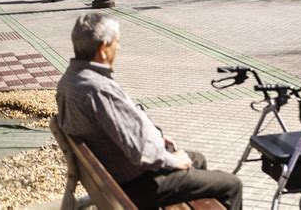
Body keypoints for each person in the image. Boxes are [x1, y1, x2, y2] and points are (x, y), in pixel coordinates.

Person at [56, 13, 243, 209]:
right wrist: (173, 160)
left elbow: (122, 130)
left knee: (197, 159)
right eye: (116, 43)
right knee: (231, 184)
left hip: (111, 178)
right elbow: (141, 153)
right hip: (134, 185)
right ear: (103, 49)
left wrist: (158, 137)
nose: (118, 48)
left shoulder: (71, 79)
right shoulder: (99, 89)